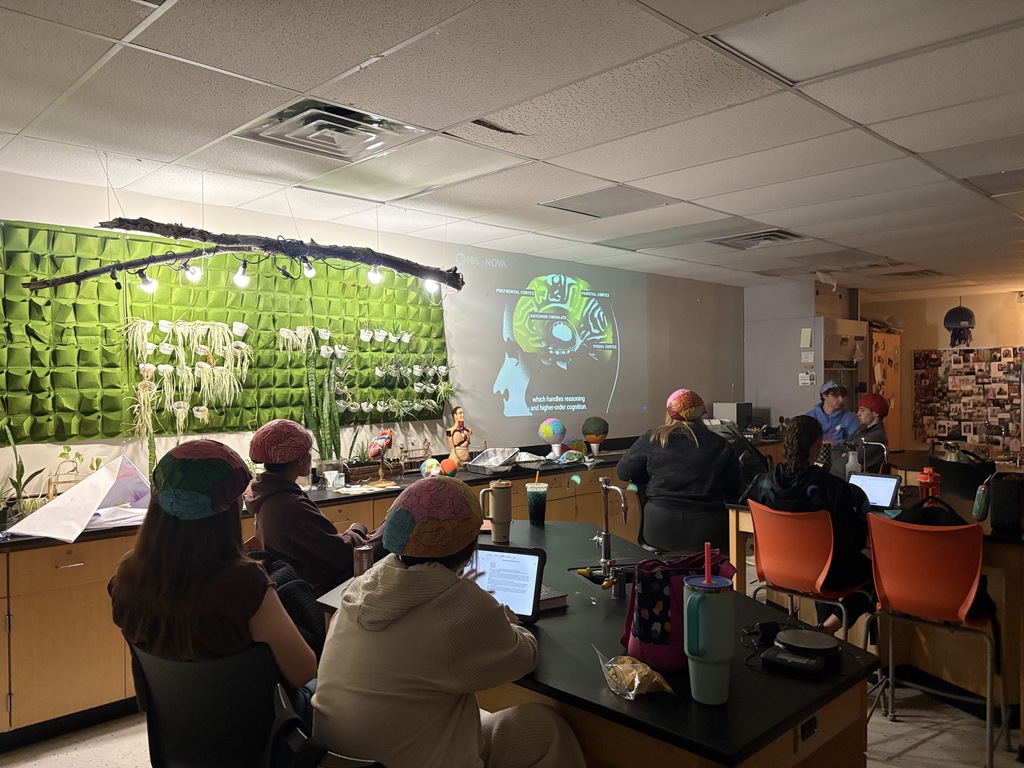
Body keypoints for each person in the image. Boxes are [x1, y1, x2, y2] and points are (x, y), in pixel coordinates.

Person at [313, 476, 586, 768]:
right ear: (470, 547)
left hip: (340, 759)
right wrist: (509, 622)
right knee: (548, 727)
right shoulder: (456, 605)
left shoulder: (361, 587)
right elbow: (524, 658)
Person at [108, 440, 317, 716]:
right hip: (257, 734)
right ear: (226, 510)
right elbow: (303, 670)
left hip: (176, 734)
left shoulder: (128, 574)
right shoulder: (243, 582)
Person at [744, 415, 873, 635]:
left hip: (776, 569)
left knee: (823, 562)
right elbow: (852, 541)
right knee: (877, 575)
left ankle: (823, 631)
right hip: (822, 573)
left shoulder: (764, 483)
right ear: (817, 446)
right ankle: (829, 628)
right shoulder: (833, 488)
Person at [247, 418, 383, 596]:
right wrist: (357, 528)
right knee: (391, 533)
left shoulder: (269, 496)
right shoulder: (290, 506)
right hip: (321, 591)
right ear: (298, 460)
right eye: (308, 451)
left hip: (305, 580)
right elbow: (342, 555)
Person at [616, 388, 743, 555]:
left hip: (658, 529)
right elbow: (737, 487)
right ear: (700, 414)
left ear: (670, 413)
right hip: (708, 531)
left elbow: (623, 472)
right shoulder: (720, 444)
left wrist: (650, 477)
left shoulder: (652, 438)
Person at [805, 380, 860, 476]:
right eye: (836, 396)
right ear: (824, 395)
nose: (841, 400)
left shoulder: (850, 418)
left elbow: (856, 441)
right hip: (814, 460)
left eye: (843, 396)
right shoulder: (810, 417)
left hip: (840, 461)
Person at [844, 393, 889, 473]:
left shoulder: (876, 438)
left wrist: (845, 454)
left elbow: (846, 462)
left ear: (876, 413)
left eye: (862, 410)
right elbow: (839, 447)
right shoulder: (861, 430)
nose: (858, 414)